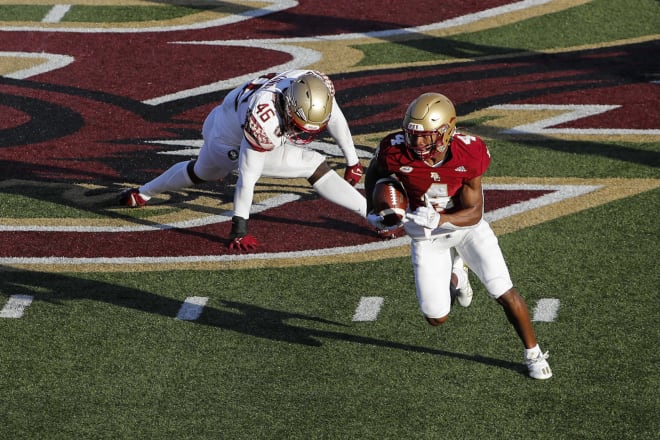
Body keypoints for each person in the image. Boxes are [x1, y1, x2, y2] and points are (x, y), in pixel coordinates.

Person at [364, 92, 552, 379]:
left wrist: (441, 218)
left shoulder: (470, 152)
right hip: (427, 238)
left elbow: (474, 212)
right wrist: (373, 210)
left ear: (446, 131)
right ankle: (457, 275)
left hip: (467, 231)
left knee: (503, 290)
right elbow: (374, 174)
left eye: (426, 137)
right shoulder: (393, 149)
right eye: (413, 135)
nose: (417, 143)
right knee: (436, 317)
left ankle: (533, 353)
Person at [119, 70, 366, 250]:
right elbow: (248, 179)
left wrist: (353, 161)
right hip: (229, 142)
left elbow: (333, 116)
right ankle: (373, 214)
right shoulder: (264, 120)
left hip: (219, 119)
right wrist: (239, 229)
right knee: (312, 163)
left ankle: (142, 193)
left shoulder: (312, 87)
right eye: (300, 126)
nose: (304, 133)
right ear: (289, 107)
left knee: (199, 173)